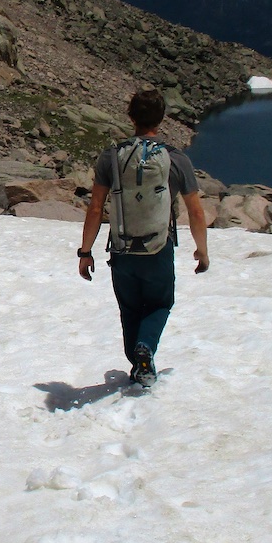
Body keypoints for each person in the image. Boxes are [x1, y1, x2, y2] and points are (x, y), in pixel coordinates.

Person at [77, 89, 210, 386]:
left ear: (131, 117)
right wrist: (202, 251)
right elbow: (196, 211)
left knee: (130, 309)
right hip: (158, 248)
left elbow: (96, 207)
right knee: (160, 304)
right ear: (161, 119)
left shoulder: (112, 157)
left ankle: (138, 362)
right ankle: (145, 349)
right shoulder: (175, 159)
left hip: (122, 249)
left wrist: (85, 252)